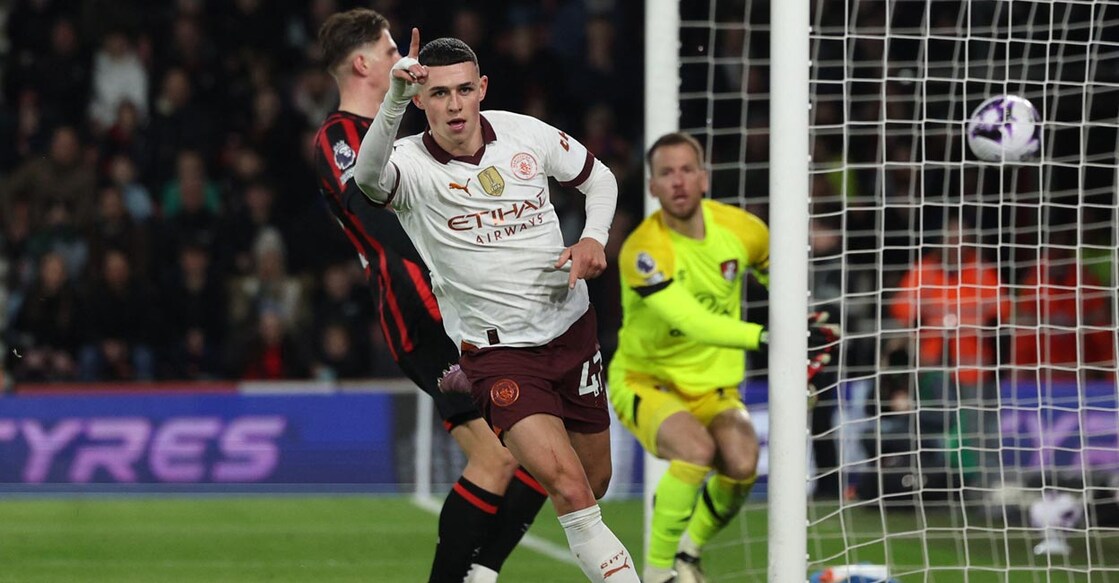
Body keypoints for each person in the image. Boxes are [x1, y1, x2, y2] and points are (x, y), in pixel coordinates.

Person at [353, 31, 639, 583]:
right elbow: (366, 179)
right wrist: (390, 97)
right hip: (500, 352)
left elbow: (599, 178)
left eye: (463, 90)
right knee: (570, 488)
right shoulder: (409, 166)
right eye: (438, 94)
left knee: (592, 479)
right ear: (420, 100)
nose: (454, 105)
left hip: (572, 330)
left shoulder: (522, 133)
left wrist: (594, 238)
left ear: (482, 87)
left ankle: (483, 570)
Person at [312, 11, 546, 583]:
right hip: (422, 310)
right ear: (365, 64)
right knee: (497, 456)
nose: (406, 60)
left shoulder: (425, 134)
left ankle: (482, 573)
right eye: (393, 49)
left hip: (476, 306)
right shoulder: (340, 137)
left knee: (546, 441)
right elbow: (371, 213)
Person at [606, 133, 837, 582]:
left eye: (687, 170)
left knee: (742, 464)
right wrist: (771, 337)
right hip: (647, 382)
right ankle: (657, 574)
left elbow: (782, 286)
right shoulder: (643, 251)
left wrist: (807, 320)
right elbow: (692, 321)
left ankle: (688, 555)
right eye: (666, 173)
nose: (678, 182)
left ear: (704, 178)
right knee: (695, 450)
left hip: (715, 388)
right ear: (652, 187)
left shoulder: (745, 230)